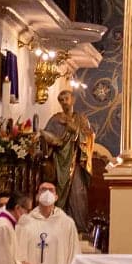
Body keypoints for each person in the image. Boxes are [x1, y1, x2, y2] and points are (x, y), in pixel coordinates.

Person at [41, 89, 110, 234]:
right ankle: (57, 226)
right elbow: (48, 140)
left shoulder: (81, 119)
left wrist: (76, 131)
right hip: (59, 164)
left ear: (73, 100)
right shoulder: (55, 120)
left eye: (66, 98)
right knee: (59, 192)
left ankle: (79, 228)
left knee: (78, 194)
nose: (64, 102)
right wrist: (48, 138)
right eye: (61, 100)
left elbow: (89, 137)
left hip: (76, 163)